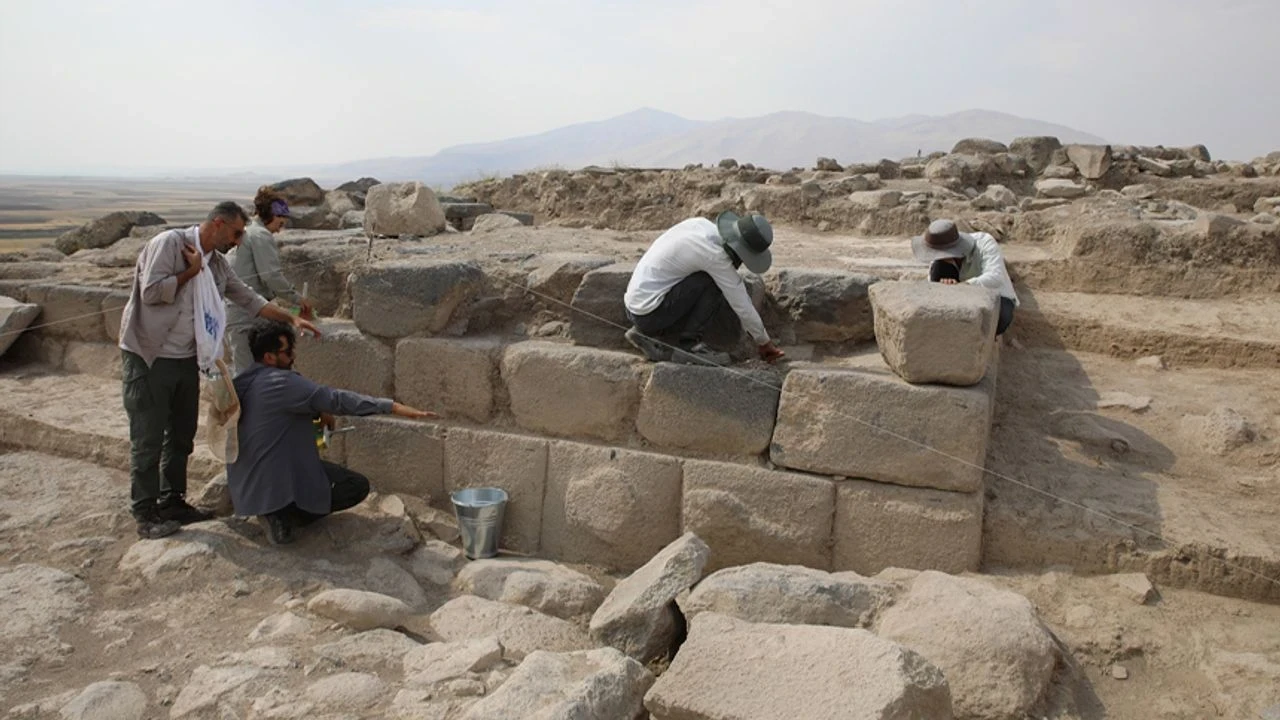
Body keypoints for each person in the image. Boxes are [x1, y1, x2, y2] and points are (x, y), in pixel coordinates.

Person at [119, 202, 322, 540]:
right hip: (150, 357)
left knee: (181, 434)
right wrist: (190, 272)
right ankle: (145, 511)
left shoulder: (215, 264)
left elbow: (248, 297)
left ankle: (172, 501)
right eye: (236, 233)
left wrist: (291, 317)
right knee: (148, 437)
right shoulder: (170, 245)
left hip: (187, 357)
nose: (239, 241)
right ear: (217, 224)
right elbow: (152, 292)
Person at [228, 319, 436, 545]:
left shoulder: (244, 380)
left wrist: (317, 410)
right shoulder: (282, 382)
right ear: (269, 357)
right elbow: (337, 399)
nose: (293, 357)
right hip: (276, 478)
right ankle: (284, 517)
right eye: (287, 352)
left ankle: (274, 510)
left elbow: (299, 403)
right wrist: (393, 407)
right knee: (355, 486)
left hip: (246, 489)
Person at [623, 210, 785, 365]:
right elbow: (741, 304)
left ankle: (642, 332)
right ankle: (689, 346)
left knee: (705, 275)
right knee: (711, 281)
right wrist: (763, 341)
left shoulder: (700, 225)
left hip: (634, 306)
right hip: (650, 314)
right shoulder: (715, 257)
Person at [227, 187, 313, 375]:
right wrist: (299, 300)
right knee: (246, 374)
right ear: (271, 214)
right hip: (244, 316)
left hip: (243, 312)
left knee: (249, 370)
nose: (279, 229)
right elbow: (271, 277)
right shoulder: (260, 235)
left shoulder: (248, 232)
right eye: (279, 223)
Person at [911, 218, 1019, 335]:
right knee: (938, 271)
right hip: (960, 292)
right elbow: (932, 285)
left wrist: (963, 286)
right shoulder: (939, 259)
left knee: (1002, 316)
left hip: (992, 292)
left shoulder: (984, 243)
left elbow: (995, 277)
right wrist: (945, 286)